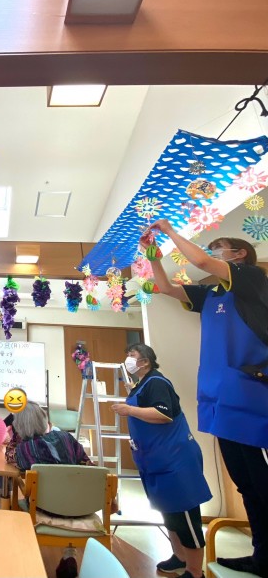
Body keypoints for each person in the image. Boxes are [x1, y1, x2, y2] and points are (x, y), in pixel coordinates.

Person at [145, 220, 268, 578]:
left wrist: (170, 231)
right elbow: (165, 287)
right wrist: (152, 254)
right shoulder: (212, 294)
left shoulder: (251, 279)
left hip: (247, 394)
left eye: (218, 248)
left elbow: (199, 261)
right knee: (246, 484)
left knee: (260, 483)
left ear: (239, 255)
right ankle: (261, 555)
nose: (212, 253)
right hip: (219, 397)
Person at [112, 344, 211, 578]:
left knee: (185, 517)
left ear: (145, 361)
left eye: (132, 356)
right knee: (169, 514)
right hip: (156, 461)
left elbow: (163, 414)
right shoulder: (142, 385)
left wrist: (129, 410)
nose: (128, 360)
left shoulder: (156, 382)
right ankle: (179, 557)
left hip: (175, 460)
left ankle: (195, 571)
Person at [6, 401, 92, 471]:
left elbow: (9, 455)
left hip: (43, 488)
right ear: (44, 419)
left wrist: (16, 437)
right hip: (74, 486)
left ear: (18, 426)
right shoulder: (66, 437)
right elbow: (87, 464)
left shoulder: (24, 450)